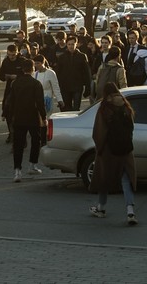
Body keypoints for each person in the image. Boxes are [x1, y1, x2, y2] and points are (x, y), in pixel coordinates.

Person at [89, 82, 138, 225]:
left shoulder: (104, 107)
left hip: (109, 150)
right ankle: (130, 211)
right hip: (125, 149)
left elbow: (99, 131)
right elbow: (131, 127)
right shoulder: (125, 105)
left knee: (104, 179)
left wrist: (100, 148)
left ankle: (101, 208)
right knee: (126, 179)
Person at [9, 57, 47, 182]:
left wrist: (9, 115)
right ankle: (32, 165)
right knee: (36, 140)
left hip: (18, 117)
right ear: (32, 69)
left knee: (18, 144)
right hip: (32, 117)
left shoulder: (15, 83)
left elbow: (11, 101)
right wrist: (44, 117)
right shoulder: (36, 84)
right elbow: (40, 102)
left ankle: (17, 171)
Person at [0, 44, 28, 143]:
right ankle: (11, 132)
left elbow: (27, 74)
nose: (11, 57)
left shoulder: (22, 61)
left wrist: (17, 76)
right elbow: (1, 76)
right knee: (7, 110)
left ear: (17, 53)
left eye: (13, 55)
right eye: (9, 55)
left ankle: (20, 135)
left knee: (20, 112)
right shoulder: (6, 61)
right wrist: (6, 76)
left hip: (21, 89)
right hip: (9, 88)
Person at [55, 36, 92, 111]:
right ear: (66, 44)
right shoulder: (62, 57)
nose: (71, 46)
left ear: (76, 44)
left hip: (77, 86)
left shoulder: (82, 56)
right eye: (69, 44)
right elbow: (58, 72)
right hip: (65, 86)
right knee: (66, 108)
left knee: (76, 108)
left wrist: (88, 87)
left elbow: (87, 72)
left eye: (72, 44)